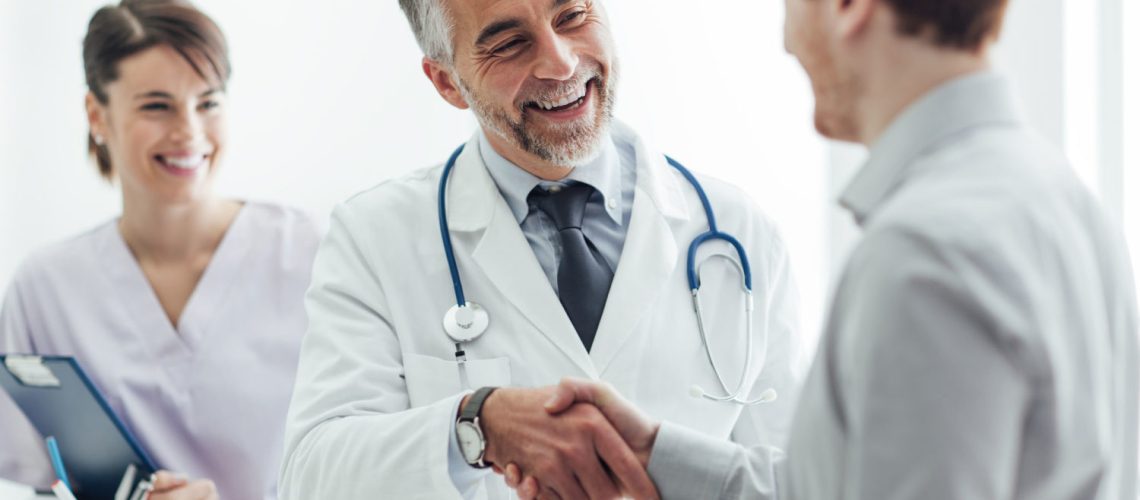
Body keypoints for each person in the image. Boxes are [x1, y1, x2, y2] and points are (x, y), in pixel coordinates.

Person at [502, 0, 1140, 498]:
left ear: (847, 6)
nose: (786, 39)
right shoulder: (1058, 195)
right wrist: (652, 456)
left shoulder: (924, 253)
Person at [278, 0, 800, 498]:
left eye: (572, 15)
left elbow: (798, 478)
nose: (560, 62)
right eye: (508, 43)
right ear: (446, 81)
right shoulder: (374, 237)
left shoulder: (738, 230)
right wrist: (475, 424)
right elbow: (313, 475)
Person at [0, 1, 323, 499]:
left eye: (208, 103)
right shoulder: (45, 288)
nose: (189, 131)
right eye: (156, 105)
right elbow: (38, 484)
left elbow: (369, 461)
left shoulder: (310, 255)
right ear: (97, 115)